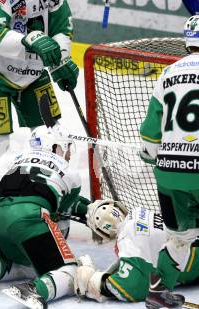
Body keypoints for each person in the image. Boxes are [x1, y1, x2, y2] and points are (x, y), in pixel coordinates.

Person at [0, 125, 94, 309]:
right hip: (28, 219)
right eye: (66, 147)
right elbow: (63, 214)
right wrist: (91, 211)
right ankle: (35, 290)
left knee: (22, 265)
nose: (68, 153)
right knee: (70, 271)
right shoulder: (71, 173)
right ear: (54, 146)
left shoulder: (18, 160)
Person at [0, 0, 80, 225]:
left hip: (34, 74)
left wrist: (61, 60)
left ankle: (49, 193)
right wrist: (30, 38)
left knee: (53, 135)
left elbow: (62, 28)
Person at [139, 14, 199, 309]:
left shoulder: (168, 73)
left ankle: (157, 291)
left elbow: (150, 135)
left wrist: (149, 153)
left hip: (169, 173)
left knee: (180, 237)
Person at [74, 202, 199, 304]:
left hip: (193, 264)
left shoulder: (126, 238)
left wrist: (97, 284)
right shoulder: (138, 211)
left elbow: (133, 285)